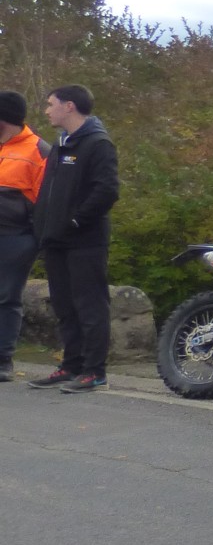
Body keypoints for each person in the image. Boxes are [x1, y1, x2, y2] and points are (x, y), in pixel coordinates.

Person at [27, 85, 120, 393]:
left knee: (90, 306)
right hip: (55, 239)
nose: (46, 110)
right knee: (64, 306)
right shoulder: (60, 143)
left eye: (51, 104)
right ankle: (71, 365)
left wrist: (77, 220)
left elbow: (107, 190)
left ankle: (94, 371)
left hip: (85, 240)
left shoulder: (98, 143)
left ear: (69, 106)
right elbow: (49, 192)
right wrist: (42, 225)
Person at [0, 90, 50, 382]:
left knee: (7, 296)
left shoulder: (39, 151)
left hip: (17, 236)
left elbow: (47, 203)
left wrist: (36, 239)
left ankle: (3, 360)